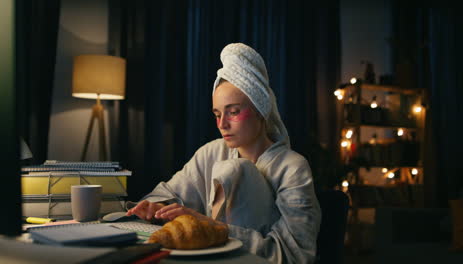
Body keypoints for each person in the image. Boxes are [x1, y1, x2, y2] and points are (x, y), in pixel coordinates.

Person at [126, 43, 321, 263]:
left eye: (234, 112)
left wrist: (210, 225)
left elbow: (295, 256)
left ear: (260, 110)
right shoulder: (211, 153)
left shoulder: (292, 168)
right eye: (217, 114)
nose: (222, 124)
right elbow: (166, 194)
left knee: (236, 169)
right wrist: (158, 208)